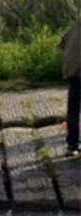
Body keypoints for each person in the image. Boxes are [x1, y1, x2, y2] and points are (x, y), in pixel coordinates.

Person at [61, 19, 80, 157]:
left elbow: (62, 44)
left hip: (72, 74)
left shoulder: (74, 27)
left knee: (73, 111)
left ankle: (71, 145)